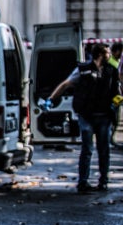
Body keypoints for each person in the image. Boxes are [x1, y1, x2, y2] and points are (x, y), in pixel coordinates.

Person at [44, 43, 120, 193]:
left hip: (104, 116)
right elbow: (66, 84)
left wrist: (116, 102)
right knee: (87, 149)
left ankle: (103, 182)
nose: (110, 55)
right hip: (87, 116)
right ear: (100, 54)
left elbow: (117, 90)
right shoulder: (83, 70)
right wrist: (51, 99)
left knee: (104, 150)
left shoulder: (111, 71)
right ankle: (83, 182)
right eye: (107, 53)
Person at [109, 42, 122, 148]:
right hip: (114, 96)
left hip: (117, 96)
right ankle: (110, 140)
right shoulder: (112, 62)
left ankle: (111, 139)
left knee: (116, 118)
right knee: (113, 117)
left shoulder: (116, 61)